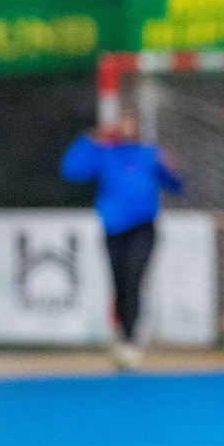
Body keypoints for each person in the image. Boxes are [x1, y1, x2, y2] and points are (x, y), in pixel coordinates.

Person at [60, 114, 184, 370]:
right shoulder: (106, 154)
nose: (127, 129)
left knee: (133, 276)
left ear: (138, 128)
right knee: (119, 283)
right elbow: (71, 170)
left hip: (143, 228)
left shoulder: (149, 154)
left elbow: (176, 185)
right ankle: (121, 335)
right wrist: (89, 138)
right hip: (114, 229)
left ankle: (130, 339)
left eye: (131, 124)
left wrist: (173, 168)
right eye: (122, 124)